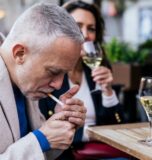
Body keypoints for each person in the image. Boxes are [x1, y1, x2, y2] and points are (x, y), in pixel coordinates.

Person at [39, 0, 128, 159]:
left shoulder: (96, 69)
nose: (85, 34)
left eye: (91, 29)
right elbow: (44, 128)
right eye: (77, 26)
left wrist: (108, 91)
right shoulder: (48, 73)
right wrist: (89, 133)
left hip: (102, 153)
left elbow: (117, 126)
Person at [0, 2, 87, 160]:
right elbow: (34, 144)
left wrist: (59, 125)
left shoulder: (25, 81)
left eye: (64, 74)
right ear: (20, 53)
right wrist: (41, 140)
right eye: (53, 72)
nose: (59, 85)